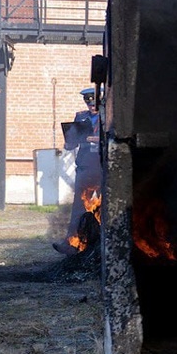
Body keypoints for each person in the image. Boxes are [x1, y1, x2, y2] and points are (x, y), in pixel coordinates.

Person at [54, 86, 101, 254]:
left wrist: (93, 139)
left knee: (105, 207)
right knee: (79, 206)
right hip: (86, 166)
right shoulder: (81, 117)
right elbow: (73, 142)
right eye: (88, 103)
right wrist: (69, 142)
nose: (91, 106)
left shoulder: (109, 116)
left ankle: (102, 243)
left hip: (103, 166)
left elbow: (112, 136)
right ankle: (71, 243)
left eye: (94, 103)